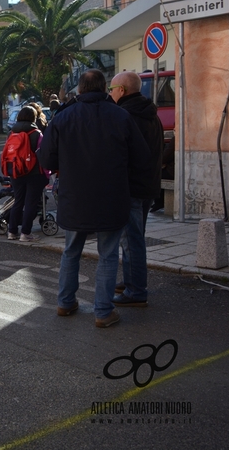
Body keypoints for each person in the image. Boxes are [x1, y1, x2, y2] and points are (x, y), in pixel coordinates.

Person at [38, 69, 150, 328]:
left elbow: (46, 158)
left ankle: (65, 303)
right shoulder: (121, 117)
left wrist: (65, 165)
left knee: (71, 251)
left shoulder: (62, 118)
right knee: (108, 254)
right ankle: (103, 311)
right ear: (104, 89)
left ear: (79, 90)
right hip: (112, 198)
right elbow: (142, 158)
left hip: (74, 197)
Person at [109, 71, 164, 307]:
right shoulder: (152, 114)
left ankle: (136, 290)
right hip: (149, 185)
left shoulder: (123, 115)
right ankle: (131, 281)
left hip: (131, 187)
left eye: (111, 89)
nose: (110, 94)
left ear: (122, 90)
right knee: (134, 239)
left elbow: (119, 155)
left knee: (131, 242)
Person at [5, 107, 48, 242]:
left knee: (18, 200)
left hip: (16, 171)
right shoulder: (36, 133)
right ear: (33, 118)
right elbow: (42, 153)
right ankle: (25, 233)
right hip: (34, 172)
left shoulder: (11, 133)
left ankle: (12, 232)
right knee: (31, 203)